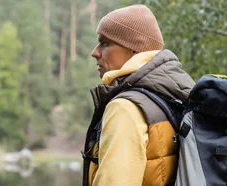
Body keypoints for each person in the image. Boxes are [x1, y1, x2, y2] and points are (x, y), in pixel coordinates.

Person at [81, 4, 195, 186]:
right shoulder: (174, 95)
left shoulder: (126, 108)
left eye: (105, 43)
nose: (95, 53)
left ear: (134, 48)